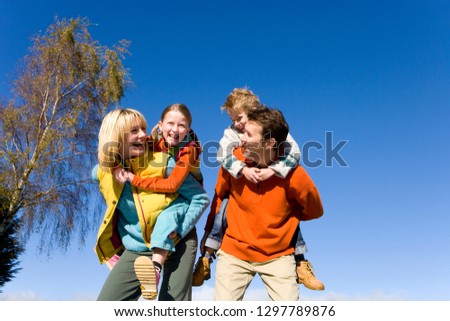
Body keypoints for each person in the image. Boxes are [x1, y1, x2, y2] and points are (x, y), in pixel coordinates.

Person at [193, 88, 324, 291]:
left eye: (240, 118)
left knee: (290, 214)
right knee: (223, 210)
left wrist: (275, 170)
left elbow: (294, 152)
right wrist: (241, 169)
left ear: (254, 112)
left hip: (276, 245)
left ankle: (300, 260)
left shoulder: (273, 130)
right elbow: (222, 154)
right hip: (238, 191)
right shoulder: (231, 134)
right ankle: (207, 257)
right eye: (233, 119)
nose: (236, 124)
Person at [93, 107, 209, 301]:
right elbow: (98, 167)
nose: (144, 135)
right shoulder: (104, 172)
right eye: (135, 131)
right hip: (137, 247)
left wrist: (179, 229)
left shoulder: (163, 162)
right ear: (116, 137)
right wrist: (113, 166)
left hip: (177, 239)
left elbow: (200, 197)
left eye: (144, 129)